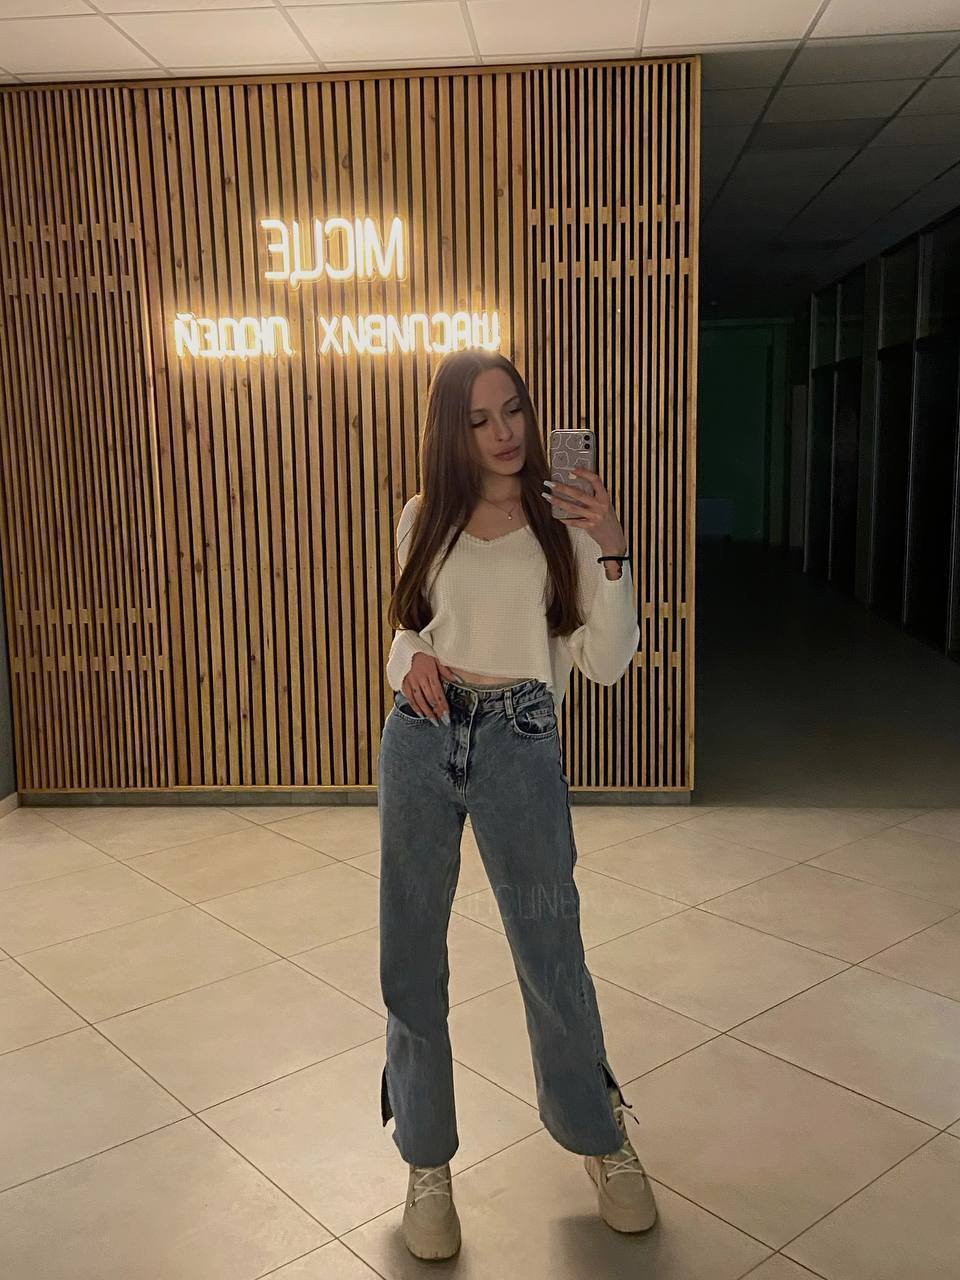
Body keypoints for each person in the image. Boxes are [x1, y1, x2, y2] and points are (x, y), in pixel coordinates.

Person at [377, 349, 656, 1260]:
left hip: (520, 741)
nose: (503, 433)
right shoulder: (422, 515)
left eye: (513, 411)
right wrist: (407, 658)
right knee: (410, 956)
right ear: (451, 433)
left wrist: (609, 543)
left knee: (551, 950)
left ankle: (601, 1138)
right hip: (421, 737)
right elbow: (408, 627)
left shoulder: (560, 521)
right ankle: (426, 1162)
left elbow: (605, 662)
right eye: (479, 420)